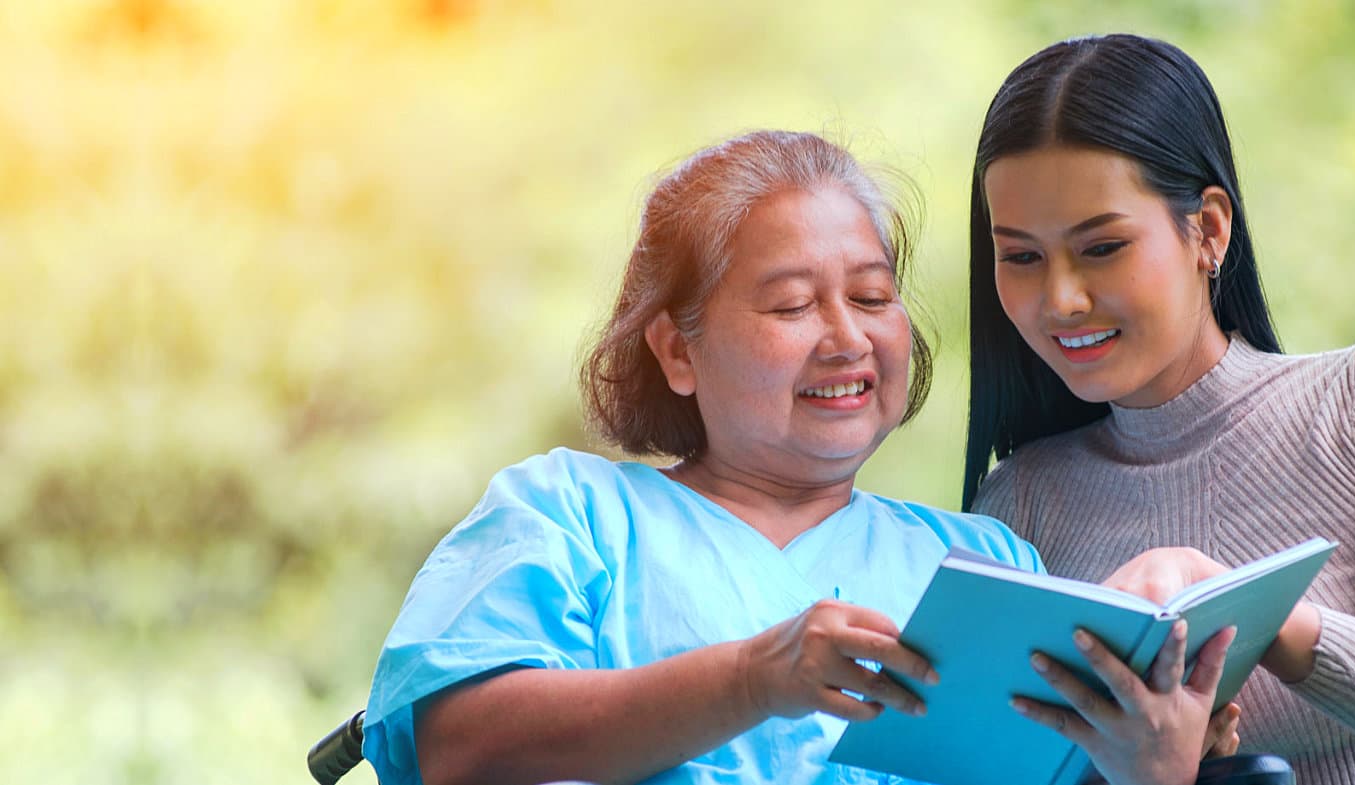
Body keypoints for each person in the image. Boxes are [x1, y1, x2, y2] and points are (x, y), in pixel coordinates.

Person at [361, 130, 1237, 785]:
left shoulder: (986, 562)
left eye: (871, 295)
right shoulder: (568, 514)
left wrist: (1151, 758)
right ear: (677, 351)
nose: (848, 337)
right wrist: (751, 678)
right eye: (790, 306)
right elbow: (459, 742)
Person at [962, 35, 1355, 784]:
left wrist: (1230, 597)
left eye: (1102, 248)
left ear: (1209, 229)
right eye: (1021, 256)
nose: (1060, 299)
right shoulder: (1022, 504)